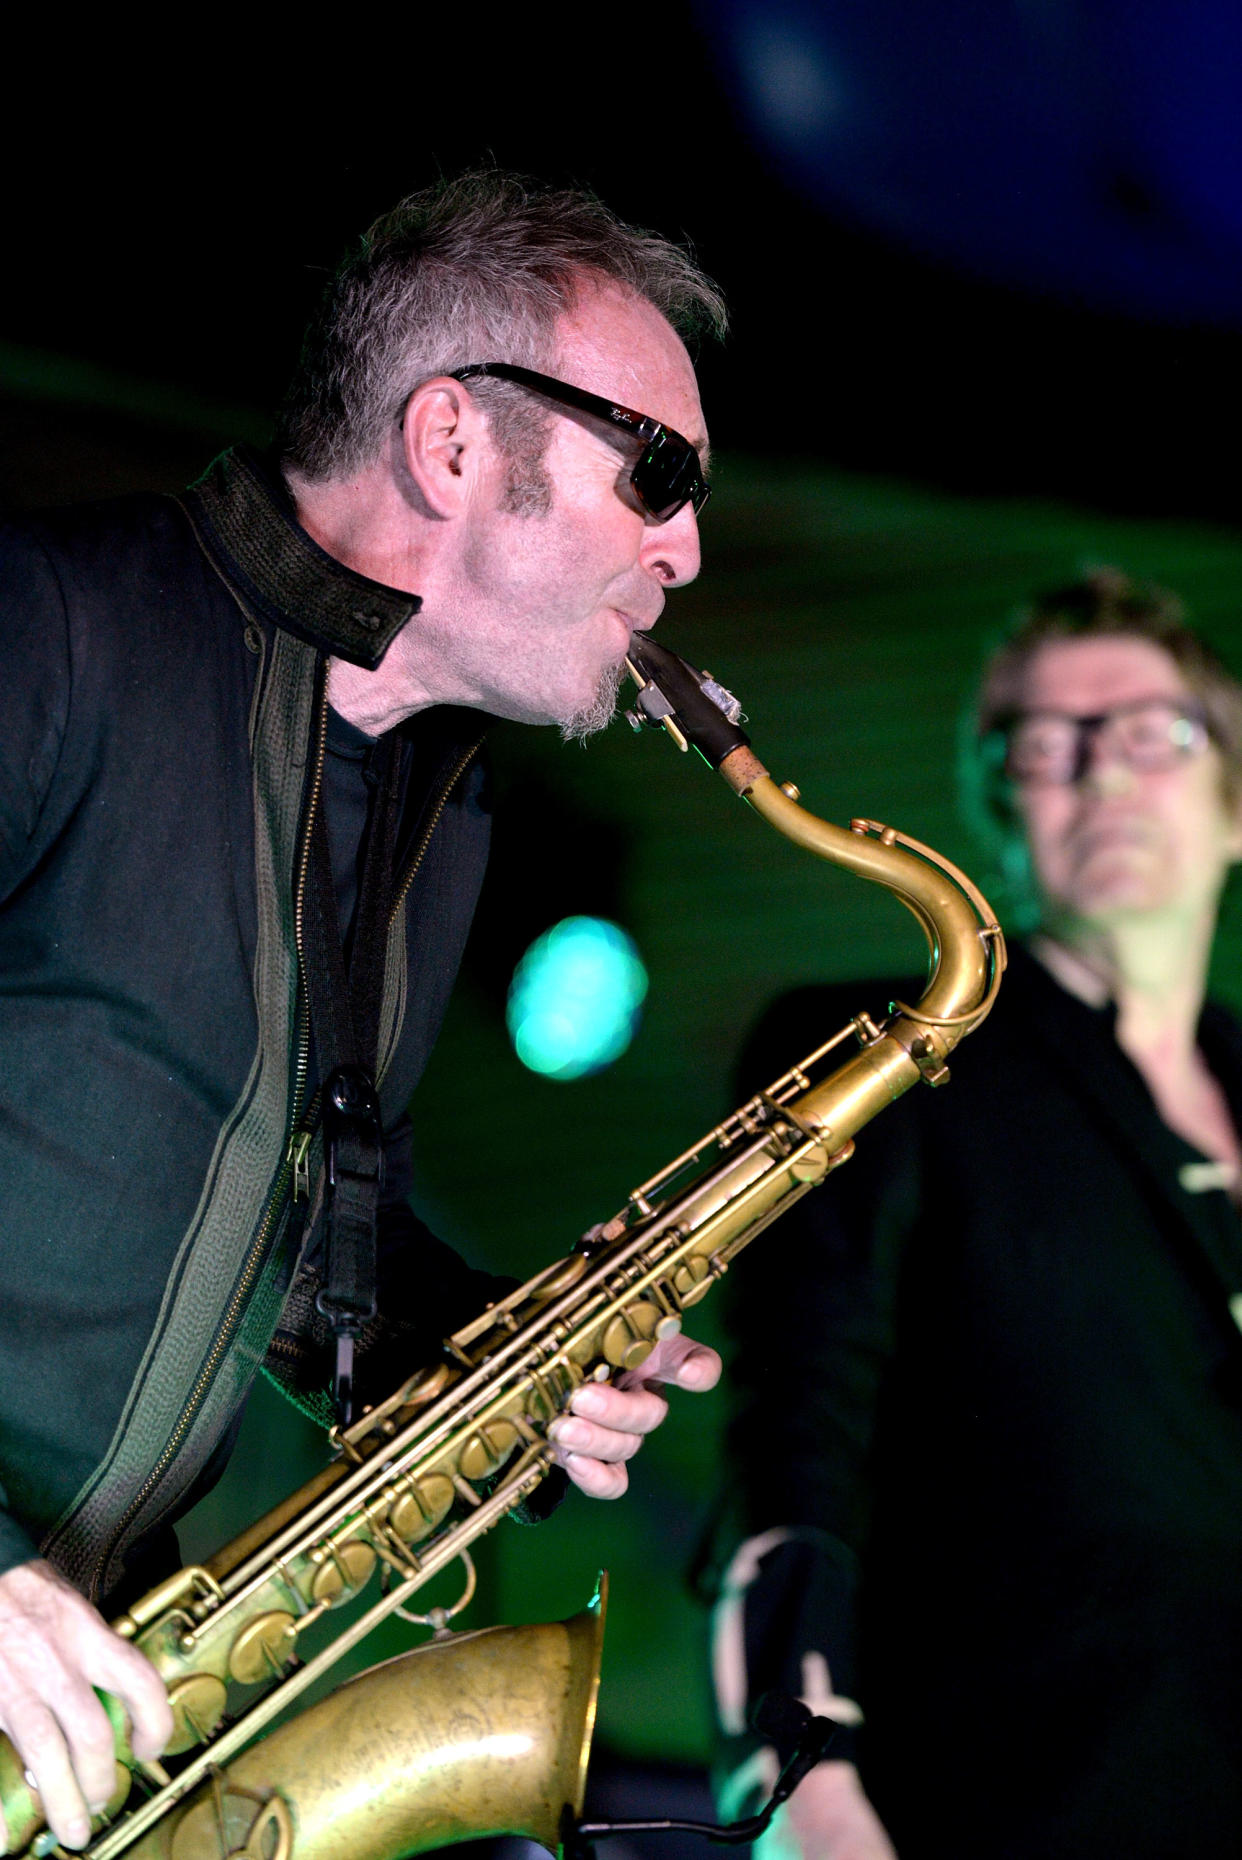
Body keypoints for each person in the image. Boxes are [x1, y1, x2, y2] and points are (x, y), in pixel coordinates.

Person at [0, 170, 726, 1849]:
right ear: (456, 441)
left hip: (77, 1705)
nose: (686, 546)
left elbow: (323, 1216)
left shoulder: (439, 807)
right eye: (660, 472)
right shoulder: (51, 625)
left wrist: (493, 1361)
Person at [712, 570, 1242, 1859]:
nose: (1101, 775)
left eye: (1152, 735)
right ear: (998, 809)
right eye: (1047, 745)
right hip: (995, 1812)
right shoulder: (880, 1058)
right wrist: (800, 1780)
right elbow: (796, 1435)